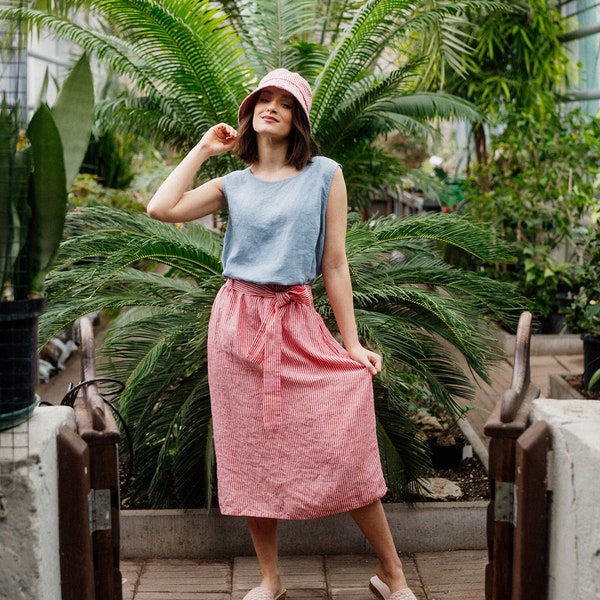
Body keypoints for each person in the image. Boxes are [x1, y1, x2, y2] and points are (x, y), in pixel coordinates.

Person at [147, 69, 417, 600]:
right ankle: (270, 580)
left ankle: (393, 573)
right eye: (262, 99)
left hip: (295, 320)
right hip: (236, 327)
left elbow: (335, 265)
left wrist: (352, 343)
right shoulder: (234, 184)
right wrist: (204, 148)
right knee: (248, 455)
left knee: (345, 440)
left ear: (299, 118)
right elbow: (161, 208)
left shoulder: (324, 175)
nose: (270, 107)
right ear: (250, 112)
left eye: (283, 102)